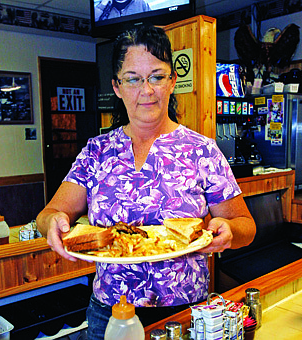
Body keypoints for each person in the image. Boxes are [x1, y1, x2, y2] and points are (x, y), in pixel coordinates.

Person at [36, 25, 256, 340]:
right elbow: (48, 215)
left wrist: (230, 231)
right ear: (117, 86)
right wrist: (53, 222)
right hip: (110, 314)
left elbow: (246, 226)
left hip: (185, 314)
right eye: (133, 79)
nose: (146, 90)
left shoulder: (201, 150)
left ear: (172, 81)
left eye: (156, 76)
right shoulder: (97, 152)